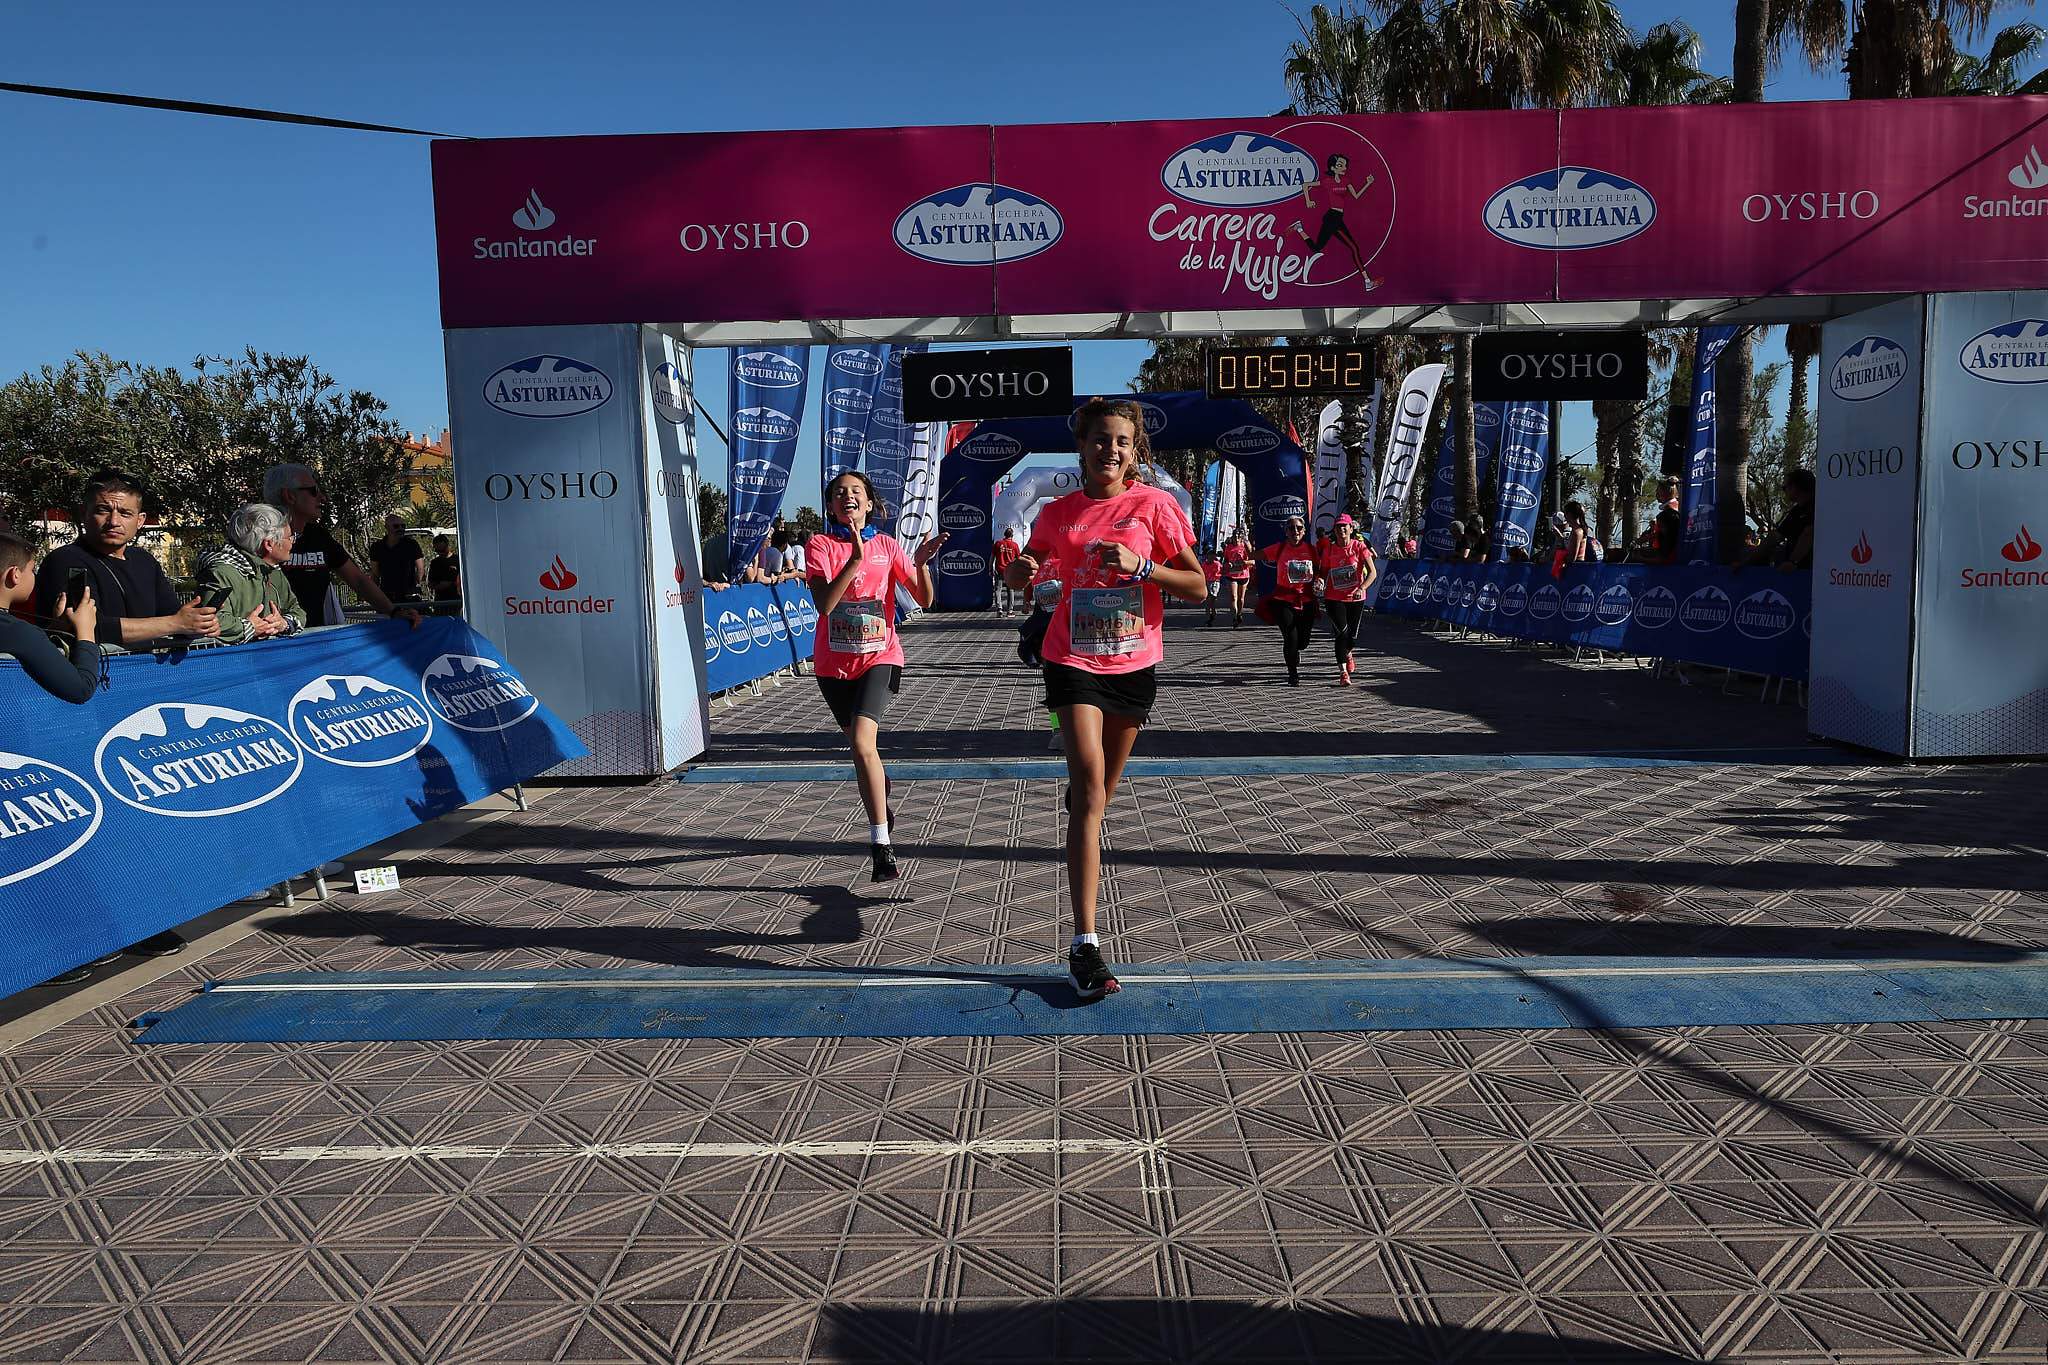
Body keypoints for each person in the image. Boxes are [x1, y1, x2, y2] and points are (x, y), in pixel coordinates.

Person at [1003, 397, 1204, 1000]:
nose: (1109, 450)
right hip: (1072, 658)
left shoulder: (1155, 506)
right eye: (1098, 439)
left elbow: (1196, 585)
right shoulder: (1058, 514)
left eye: (1120, 441)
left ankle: (1084, 798)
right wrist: (1020, 572)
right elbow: (1031, 565)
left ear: (1133, 449)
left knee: (1097, 798)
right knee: (1091, 794)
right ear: (1081, 445)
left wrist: (1143, 566)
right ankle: (1085, 944)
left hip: (1134, 664)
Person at [806, 471, 948, 884]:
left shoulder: (886, 545)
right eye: (839, 493)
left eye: (856, 492)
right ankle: (879, 798)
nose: (847, 497)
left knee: (863, 743)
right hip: (833, 666)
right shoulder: (819, 545)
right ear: (832, 506)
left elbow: (924, 598)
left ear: (869, 503)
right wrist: (853, 558)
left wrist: (920, 564)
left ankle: (880, 844)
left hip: (880, 657)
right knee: (864, 751)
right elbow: (826, 606)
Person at [33, 470, 219, 650]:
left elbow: (173, 616)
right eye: (103, 510)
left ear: (140, 520)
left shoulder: (145, 561)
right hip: (90, 676)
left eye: (125, 513)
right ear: (84, 513)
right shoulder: (65, 560)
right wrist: (175, 624)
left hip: (145, 673)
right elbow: (89, 627)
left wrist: (198, 623)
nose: (114, 521)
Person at [265, 464, 421, 629]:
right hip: (275, 643)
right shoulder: (260, 538)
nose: (322, 498)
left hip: (314, 638)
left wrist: (393, 611)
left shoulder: (319, 536)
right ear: (289, 496)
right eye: (313, 491)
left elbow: (358, 580)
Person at [0, 529, 101, 703]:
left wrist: (54, 631)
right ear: (14, 574)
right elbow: (81, 689)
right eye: (32, 569)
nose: (34, 576)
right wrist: (86, 633)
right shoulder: (19, 632)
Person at [196, 503, 307, 644]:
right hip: (227, 662)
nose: (292, 543)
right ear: (269, 544)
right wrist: (249, 627)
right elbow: (208, 620)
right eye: (290, 537)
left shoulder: (274, 572)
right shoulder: (221, 572)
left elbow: (297, 610)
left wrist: (283, 623)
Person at [1289, 152, 1382, 292]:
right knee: (1354, 248)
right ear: (1333, 168)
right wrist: (1308, 200)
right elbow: (1306, 185)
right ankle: (1367, 281)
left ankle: (1299, 228)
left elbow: (1356, 196)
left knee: (1316, 248)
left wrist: (1367, 184)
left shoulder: (1346, 181)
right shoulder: (1327, 181)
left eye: (1345, 165)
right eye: (1340, 165)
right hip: (1332, 218)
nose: (1343, 167)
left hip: (1337, 218)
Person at [1260, 514, 1320, 686]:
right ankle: (1292, 672)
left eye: (1299, 528)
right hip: (1283, 600)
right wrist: (1244, 557)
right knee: (1290, 637)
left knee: (1303, 641)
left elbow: (1321, 569)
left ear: (1304, 531)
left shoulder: (1311, 550)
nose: (1295, 531)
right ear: (1286, 531)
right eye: (1291, 528)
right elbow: (1259, 555)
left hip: (1306, 600)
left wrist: (1320, 579)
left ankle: (1297, 651)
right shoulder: (1279, 548)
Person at [1317, 514, 1377, 685]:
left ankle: (1348, 653)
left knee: (1352, 637)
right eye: (1338, 527)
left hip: (1356, 597)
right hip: (1334, 597)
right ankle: (1343, 673)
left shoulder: (1359, 547)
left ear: (1351, 529)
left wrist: (1362, 587)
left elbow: (1373, 572)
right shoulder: (1329, 549)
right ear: (1334, 531)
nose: (1341, 529)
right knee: (1341, 634)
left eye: (1345, 526)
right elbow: (1323, 571)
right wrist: (1320, 579)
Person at [1740, 469, 1816, 572]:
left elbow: (1809, 533)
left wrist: (1793, 562)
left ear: (1795, 487)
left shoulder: (1817, 507)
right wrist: (1746, 562)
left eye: (1785, 488)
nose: (1784, 492)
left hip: (1813, 574)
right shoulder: (1796, 512)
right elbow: (1776, 537)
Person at [366, 515, 424, 605]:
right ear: (387, 527)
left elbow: (420, 569)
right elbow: (375, 573)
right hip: (387, 594)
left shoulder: (411, 544)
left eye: (403, 526)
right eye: (396, 526)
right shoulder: (377, 547)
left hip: (409, 594)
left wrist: (415, 585)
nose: (400, 528)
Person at [1629, 477, 1683, 564]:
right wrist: (1647, 537)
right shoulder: (1679, 508)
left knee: (1633, 555)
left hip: (1668, 560)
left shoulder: (1667, 514)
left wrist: (1639, 558)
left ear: (1664, 493)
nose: (1656, 494)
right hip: (1673, 555)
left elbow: (1668, 545)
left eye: (1658, 491)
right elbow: (1664, 533)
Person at [1551, 501, 1601, 576]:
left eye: (1565, 514)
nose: (1565, 517)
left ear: (1570, 514)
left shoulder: (1577, 532)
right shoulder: (1575, 530)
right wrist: (1560, 538)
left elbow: (1572, 558)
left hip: (1576, 569)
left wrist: (1558, 559)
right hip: (1575, 568)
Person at [1219, 529, 1252, 626]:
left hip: (1243, 575)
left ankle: (1239, 614)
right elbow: (1225, 561)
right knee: (1233, 597)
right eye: (1235, 536)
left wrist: (1244, 562)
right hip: (1232, 575)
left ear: (1241, 537)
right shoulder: (1228, 547)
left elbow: (1253, 561)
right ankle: (1234, 617)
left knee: (1241, 599)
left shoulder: (1245, 546)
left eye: (1238, 536)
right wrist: (1227, 564)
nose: (1236, 538)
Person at [992, 527, 1023, 615]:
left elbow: (992, 557)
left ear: (1004, 534)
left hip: (999, 570)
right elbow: (1018, 559)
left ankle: (999, 609)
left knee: (998, 590)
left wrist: (990, 568)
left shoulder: (998, 543)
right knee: (1011, 590)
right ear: (1012, 536)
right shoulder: (1014, 545)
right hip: (1010, 571)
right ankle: (1010, 611)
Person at [427, 534, 461, 613]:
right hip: (440, 601)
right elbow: (430, 583)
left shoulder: (457, 560)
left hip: (455, 600)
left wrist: (451, 584)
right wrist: (438, 586)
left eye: (442, 550)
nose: (440, 553)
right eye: (437, 551)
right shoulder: (434, 563)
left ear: (447, 546)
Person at [1202, 548, 1223, 625]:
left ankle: (1212, 614)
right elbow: (1202, 573)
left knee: (1211, 600)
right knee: (1208, 601)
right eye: (1209, 555)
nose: (1210, 557)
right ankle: (1209, 617)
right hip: (1206, 582)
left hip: (1215, 582)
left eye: (1212, 556)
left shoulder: (1217, 564)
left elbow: (1221, 571)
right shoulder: (1204, 564)